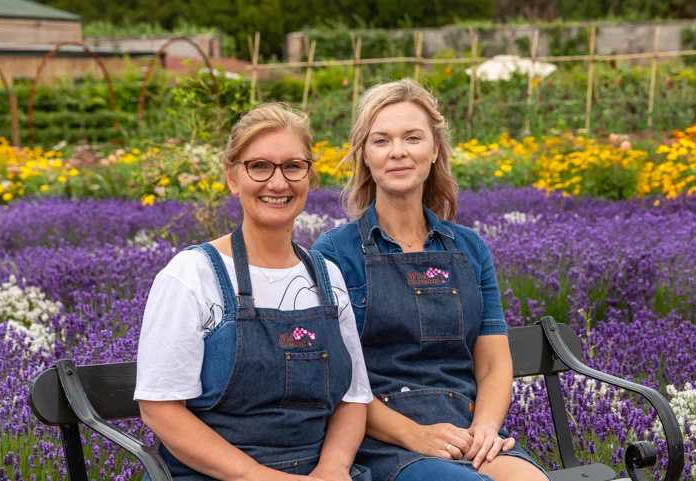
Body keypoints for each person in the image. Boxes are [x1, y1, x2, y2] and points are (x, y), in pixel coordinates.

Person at [312, 79, 549, 481]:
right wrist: (416, 435)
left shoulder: (470, 249)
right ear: (365, 155)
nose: (398, 152)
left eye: (413, 138)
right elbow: (333, 380)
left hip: (466, 428)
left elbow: (493, 364)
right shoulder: (335, 252)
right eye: (381, 140)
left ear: (435, 150)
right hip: (382, 437)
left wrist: (486, 429)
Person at [135, 102, 373, 481]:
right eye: (259, 166)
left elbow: (353, 397)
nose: (278, 183)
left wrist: (333, 467)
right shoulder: (192, 275)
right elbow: (159, 409)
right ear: (232, 177)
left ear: (309, 176)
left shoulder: (326, 277)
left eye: (293, 166)